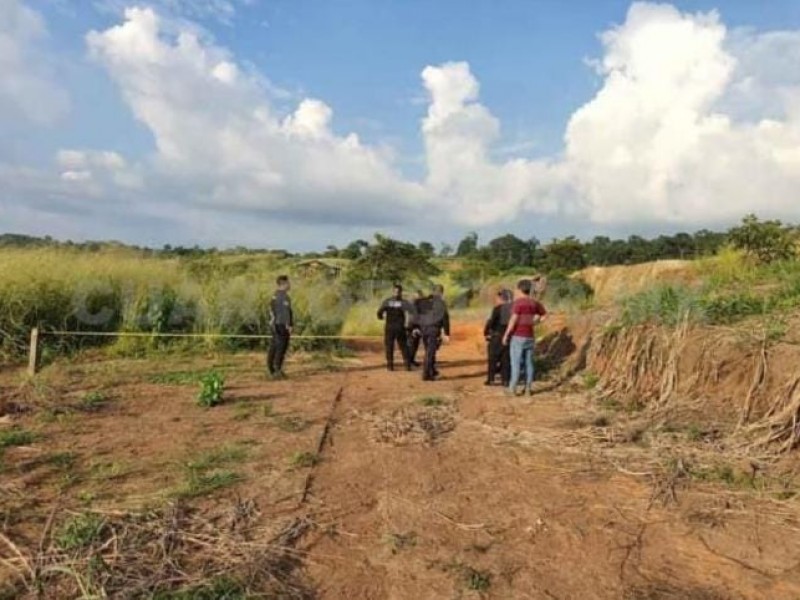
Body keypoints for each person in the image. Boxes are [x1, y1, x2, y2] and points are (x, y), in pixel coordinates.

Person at [502, 279, 547, 396]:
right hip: (530, 337)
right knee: (529, 364)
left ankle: (512, 389)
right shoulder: (534, 303)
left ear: (520, 289)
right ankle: (528, 389)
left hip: (518, 336)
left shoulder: (518, 303)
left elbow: (513, 320)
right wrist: (536, 322)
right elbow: (545, 315)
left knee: (515, 363)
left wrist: (506, 334)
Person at [377, 284, 414, 371]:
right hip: (400, 327)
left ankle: (390, 366)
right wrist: (409, 325)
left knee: (389, 346)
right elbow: (412, 312)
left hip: (390, 327)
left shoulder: (387, 301)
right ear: (401, 292)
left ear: (393, 292)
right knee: (403, 346)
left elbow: (379, 313)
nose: (397, 293)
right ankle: (407, 365)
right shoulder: (404, 302)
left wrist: (381, 317)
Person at [418, 284, 450, 381]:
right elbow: (445, 319)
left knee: (428, 351)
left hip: (424, 329)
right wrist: (447, 333)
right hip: (433, 329)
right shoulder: (441, 303)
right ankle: (426, 375)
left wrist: (416, 327)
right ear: (440, 292)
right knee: (430, 353)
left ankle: (431, 371)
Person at [484, 288, 512, 386]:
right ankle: (506, 380)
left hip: (497, 336)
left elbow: (491, 322)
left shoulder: (497, 309)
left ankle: (491, 379)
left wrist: (487, 332)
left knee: (493, 358)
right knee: (506, 359)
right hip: (509, 336)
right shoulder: (513, 308)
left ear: (501, 298)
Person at [267, 275, 293, 379]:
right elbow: (287, 312)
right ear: (284, 284)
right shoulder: (285, 296)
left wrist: (271, 320)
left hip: (275, 325)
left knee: (274, 346)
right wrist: (289, 325)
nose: (290, 285)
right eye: (288, 283)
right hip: (282, 325)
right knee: (281, 347)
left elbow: (270, 310)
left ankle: (271, 368)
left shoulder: (274, 295)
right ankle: (277, 369)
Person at [406, 289, 425, 366]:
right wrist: (415, 328)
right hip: (413, 325)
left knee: (415, 343)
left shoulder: (416, 303)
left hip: (415, 325)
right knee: (412, 343)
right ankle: (409, 360)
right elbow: (413, 317)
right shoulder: (414, 304)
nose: (420, 297)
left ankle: (411, 360)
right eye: (419, 295)